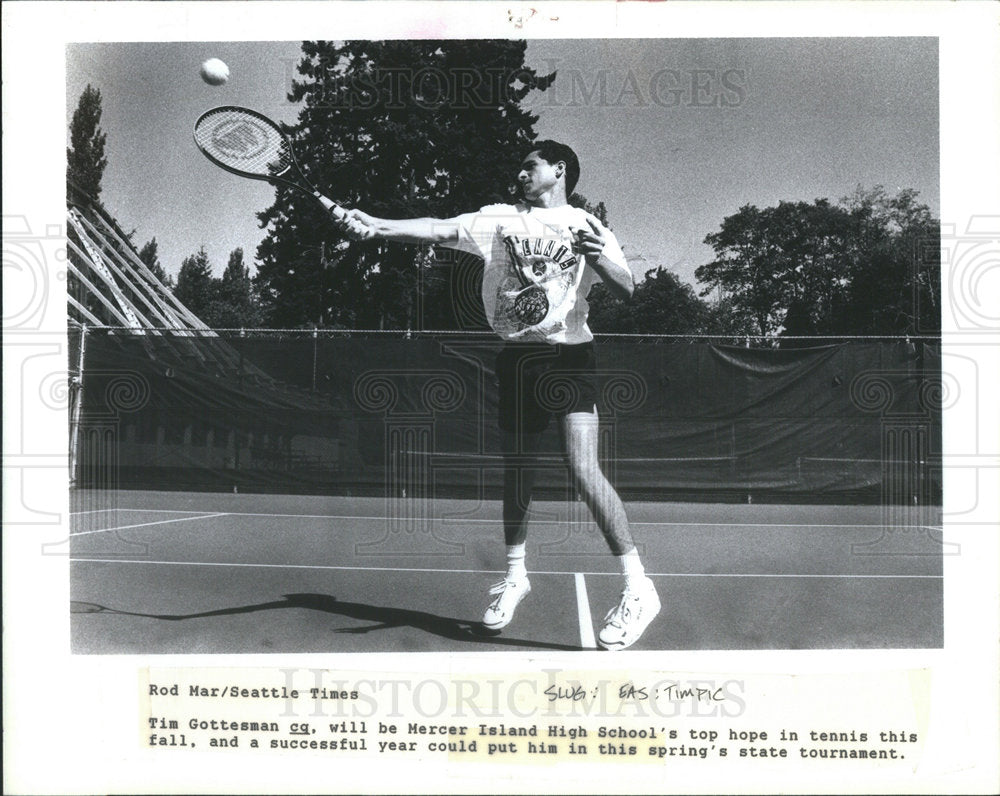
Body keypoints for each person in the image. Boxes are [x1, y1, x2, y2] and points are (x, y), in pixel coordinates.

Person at [335, 141, 660, 650]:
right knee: (518, 470)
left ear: (559, 170)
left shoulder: (588, 225)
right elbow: (439, 227)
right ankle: (514, 575)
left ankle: (638, 587)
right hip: (517, 358)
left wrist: (601, 259)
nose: (521, 172)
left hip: (570, 357)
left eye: (530, 165)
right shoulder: (499, 219)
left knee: (582, 468)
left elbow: (628, 288)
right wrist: (377, 224)